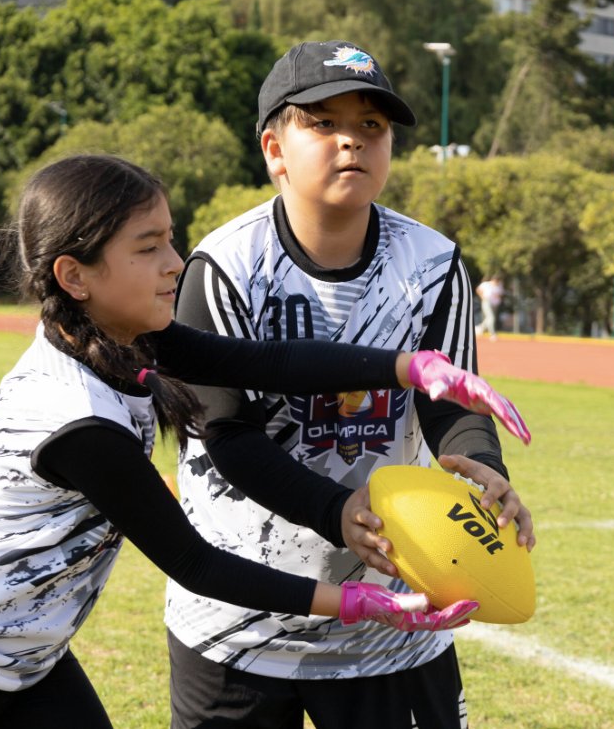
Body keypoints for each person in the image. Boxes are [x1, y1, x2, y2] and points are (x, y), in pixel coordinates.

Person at [0, 154, 530, 728]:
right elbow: (197, 564)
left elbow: (262, 363)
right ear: (74, 275)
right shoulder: (75, 416)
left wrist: (412, 367)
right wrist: (357, 602)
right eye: (148, 248)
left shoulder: (123, 335)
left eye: (170, 240)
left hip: (24, 657)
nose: (176, 262)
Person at [167, 40, 534, 729]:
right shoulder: (224, 266)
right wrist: (337, 510)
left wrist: (485, 470)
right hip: (240, 621)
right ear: (275, 148)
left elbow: (450, 401)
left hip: (392, 623)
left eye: (372, 126)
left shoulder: (432, 263)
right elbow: (228, 435)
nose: (352, 141)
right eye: (324, 122)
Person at [475, 275, 504, 341]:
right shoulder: (486, 284)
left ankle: (480, 329)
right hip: (487, 302)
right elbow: (478, 289)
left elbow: (500, 294)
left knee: (489, 318)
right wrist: (482, 297)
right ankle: (492, 334)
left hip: (495, 304)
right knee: (491, 317)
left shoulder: (499, 286)